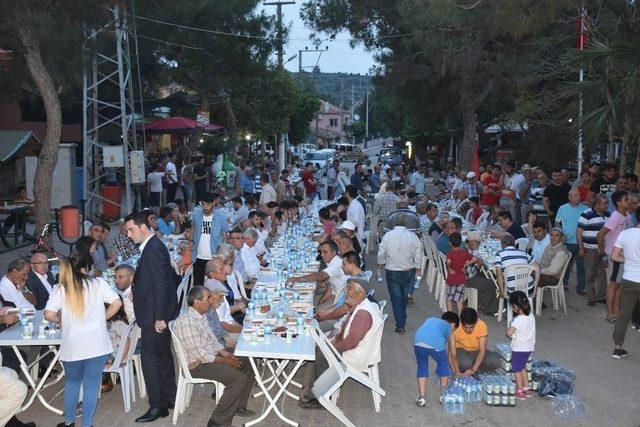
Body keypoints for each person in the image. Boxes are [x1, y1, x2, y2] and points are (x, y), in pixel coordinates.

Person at [45, 254, 122, 427]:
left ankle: (69, 422)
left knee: (72, 383)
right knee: (91, 386)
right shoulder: (97, 283)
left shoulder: (60, 288)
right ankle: (87, 424)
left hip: (73, 346)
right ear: (85, 269)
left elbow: (48, 314)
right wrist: (103, 318)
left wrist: (60, 320)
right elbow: (117, 303)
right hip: (97, 344)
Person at [173, 286, 255, 426]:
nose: (211, 301)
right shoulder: (188, 322)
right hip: (196, 365)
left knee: (248, 361)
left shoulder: (201, 315)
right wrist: (224, 361)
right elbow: (200, 355)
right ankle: (217, 421)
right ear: (197, 302)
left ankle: (238, 406)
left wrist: (226, 354)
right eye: (208, 298)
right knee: (238, 379)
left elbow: (212, 340)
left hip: (208, 357)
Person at [124, 212, 179, 423]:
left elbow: (162, 285)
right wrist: (137, 289)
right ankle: (169, 396)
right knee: (163, 356)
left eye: (131, 230)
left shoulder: (153, 248)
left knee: (151, 360)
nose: (129, 235)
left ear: (143, 227)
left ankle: (158, 406)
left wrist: (159, 318)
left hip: (154, 315)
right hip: (156, 311)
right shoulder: (153, 245)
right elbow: (157, 280)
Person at [299, 279, 383, 409]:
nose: (345, 290)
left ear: (359, 294)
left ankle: (316, 399)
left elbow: (351, 342)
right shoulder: (360, 306)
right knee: (321, 349)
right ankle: (316, 387)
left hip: (357, 354)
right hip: (355, 349)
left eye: (348, 288)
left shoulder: (363, 314)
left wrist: (332, 347)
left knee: (322, 356)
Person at [377, 213, 423, 333]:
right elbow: (418, 253)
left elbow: (382, 251)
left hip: (392, 271)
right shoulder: (412, 236)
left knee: (396, 298)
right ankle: (402, 316)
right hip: (408, 271)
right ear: (406, 223)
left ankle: (400, 323)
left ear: (394, 223)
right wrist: (418, 268)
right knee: (403, 296)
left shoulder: (388, 236)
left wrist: (380, 264)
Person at [598, 190, 633, 323]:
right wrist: (603, 252)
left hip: (624, 255)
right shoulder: (615, 216)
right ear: (618, 203)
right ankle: (609, 313)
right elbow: (601, 233)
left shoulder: (627, 216)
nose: (629, 201)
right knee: (613, 284)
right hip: (615, 255)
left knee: (620, 284)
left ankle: (616, 310)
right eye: (626, 199)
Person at [610, 210, 640, 359]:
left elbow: (614, 256)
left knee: (624, 315)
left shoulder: (626, 234)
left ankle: (618, 347)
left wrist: (628, 259)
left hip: (628, 279)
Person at [413, 311, 460, 407]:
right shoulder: (450, 328)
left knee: (422, 367)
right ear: (453, 324)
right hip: (436, 344)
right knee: (443, 367)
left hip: (418, 341)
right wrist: (456, 371)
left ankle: (422, 398)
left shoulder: (430, 319)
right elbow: (453, 353)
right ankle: (443, 396)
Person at [287, 240, 347, 310]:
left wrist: (298, 279)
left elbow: (320, 276)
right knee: (313, 303)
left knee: (313, 308)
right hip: (336, 293)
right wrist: (320, 302)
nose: (322, 255)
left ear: (334, 253)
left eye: (325, 252)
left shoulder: (336, 263)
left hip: (341, 299)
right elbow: (331, 287)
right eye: (321, 252)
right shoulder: (332, 261)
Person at [577, 194, 610, 306]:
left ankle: (600, 296)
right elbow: (579, 231)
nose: (607, 205)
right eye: (604, 203)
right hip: (589, 249)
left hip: (603, 250)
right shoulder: (586, 214)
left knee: (602, 274)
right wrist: (581, 247)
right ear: (596, 204)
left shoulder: (608, 215)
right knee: (590, 274)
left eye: (607, 203)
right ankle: (591, 298)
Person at [191, 193, 229, 287]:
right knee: (198, 286)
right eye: (203, 204)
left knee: (215, 286)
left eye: (208, 204)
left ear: (213, 203)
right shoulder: (196, 214)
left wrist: (223, 253)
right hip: (198, 256)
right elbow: (193, 227)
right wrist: (192, 241)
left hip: (214, 257)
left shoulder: (220, 217)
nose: (205, 207)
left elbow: (225, 234)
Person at [448, 308, 500, 375]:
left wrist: (474, 368)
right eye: (465, 327)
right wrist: (454, 371)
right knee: (466, 364)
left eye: (471, 327)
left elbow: (482, 350)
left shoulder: (481, 325)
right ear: (460, 322)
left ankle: (473, 369)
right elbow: (451, 354)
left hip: (477, 351)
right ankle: (475, 369)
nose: (468, 330)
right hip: (461, 351)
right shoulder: (455, 326)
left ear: (476, 322)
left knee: (495, 361)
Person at [555, 189, 589, 293]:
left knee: (581, 266)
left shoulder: (585, 208)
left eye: (579, 195)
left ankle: (581, 288)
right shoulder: (563, 208)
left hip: (581, 242)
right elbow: (557, 222)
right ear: (569, 197)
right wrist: (562, 234)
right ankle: (564, 283)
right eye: (575, 195)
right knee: (566, 265)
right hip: (567, 241)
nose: (578, 197)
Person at [506, 291, 535, 399]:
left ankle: (519, 390)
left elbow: (509, 333)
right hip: (529, 348)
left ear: (515, 307)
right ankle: (527, 388)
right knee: (522, 367)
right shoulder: (531, 316)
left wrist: (509, 329)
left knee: (516, 369)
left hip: (519, 349)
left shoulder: (518, 320)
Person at [494, 234, 535, 299]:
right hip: (529, 287)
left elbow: (499, 275)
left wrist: (502, 292)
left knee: (501, 284)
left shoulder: (499, 254)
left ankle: (508, 306)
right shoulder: (523, 253)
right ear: (514, 244)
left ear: (503, 244)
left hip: (512, 289)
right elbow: (536, 267)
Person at [445, 233, 476, 314]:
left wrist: (449, 268)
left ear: (450, 243)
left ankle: (449, 314)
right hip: (462, 279)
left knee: (449, 298)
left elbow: (448, 262)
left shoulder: (450, 253)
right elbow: (474, 258)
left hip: (452, 279)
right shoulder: (464, 253)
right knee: (459, 299)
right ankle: (459, 316)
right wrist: (466, 264)